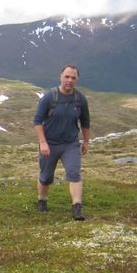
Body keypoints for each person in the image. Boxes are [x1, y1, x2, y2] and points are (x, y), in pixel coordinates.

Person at [32, 64, 91, 220]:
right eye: (67, 77)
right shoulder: (49, 97)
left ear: (77, 80)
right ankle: (42, 200)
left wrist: (86, 141)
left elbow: (85, 122)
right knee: (45, 177)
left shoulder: (80, 99)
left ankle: (77, 207)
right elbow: (37, 121)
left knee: (74, 173)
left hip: (70, 144)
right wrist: (43, 143)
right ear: (61, 77)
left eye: (73, 78)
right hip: (50, 144)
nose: (69, 80)